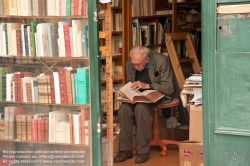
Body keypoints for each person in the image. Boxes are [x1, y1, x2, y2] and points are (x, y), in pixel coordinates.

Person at [114, 46, 174, 164]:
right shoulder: (129, 64)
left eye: (138, 65)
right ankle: (125, 150)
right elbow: (129, 82)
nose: (136, 67)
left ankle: (143, 151)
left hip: (156, 93)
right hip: (137, 96)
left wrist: (147, 86)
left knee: (141, 108)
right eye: (134, 64)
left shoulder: (161, 61)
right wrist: (128, 93)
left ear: (147, 60)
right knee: (124, 109)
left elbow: (169, 88)